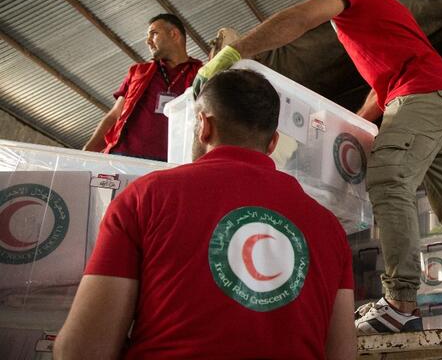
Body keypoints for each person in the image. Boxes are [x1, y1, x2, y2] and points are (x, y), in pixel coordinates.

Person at [193, 0, 442, 333]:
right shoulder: (376, 8)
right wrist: (355, 123)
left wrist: (235, 52)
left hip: (423, 96)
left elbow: (298, 20)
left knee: (388, 178)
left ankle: (400, 303)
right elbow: (382, 87)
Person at [55, 69, 356, 359]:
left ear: (203, 126)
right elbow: (343, 354)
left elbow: (81, 350)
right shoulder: (330, 228)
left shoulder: (144, 198)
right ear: (273, 142)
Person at [83, 14, 202, 161]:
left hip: (171, 163)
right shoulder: (138, 71)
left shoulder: (201, 73)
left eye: (154, 34)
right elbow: (115, 115)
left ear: (174, 34)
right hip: (123, 156)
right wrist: (86, 152)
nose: (148, 41)